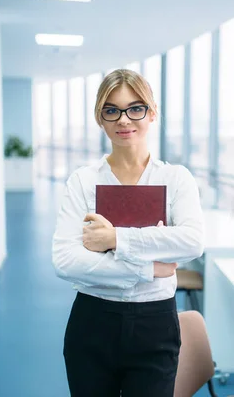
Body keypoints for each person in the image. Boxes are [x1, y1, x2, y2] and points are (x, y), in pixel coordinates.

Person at [52, 69, 205, 396]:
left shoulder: (176, 179)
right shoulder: (83, 181)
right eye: (112, 110)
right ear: (100, 118)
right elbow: (65, 260)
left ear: (151, 113)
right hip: (92, 321)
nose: (124, 120)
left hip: (155, 324)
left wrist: (115, 239)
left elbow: (192, 241)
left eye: (135, 108)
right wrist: (146, 267)